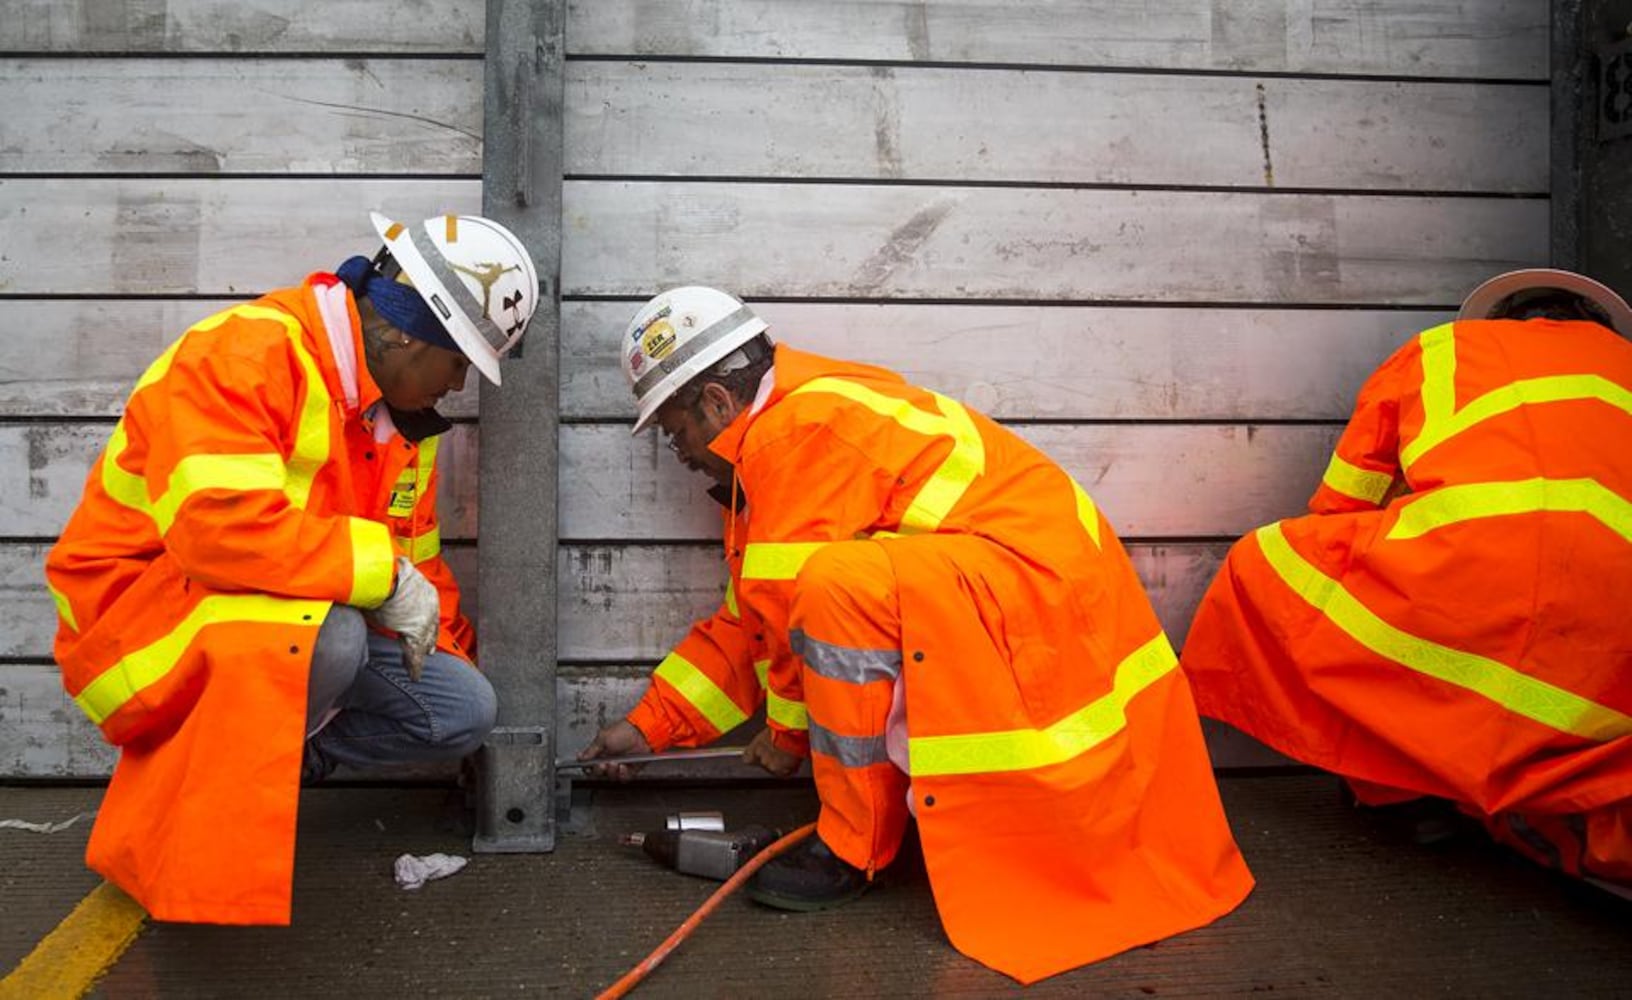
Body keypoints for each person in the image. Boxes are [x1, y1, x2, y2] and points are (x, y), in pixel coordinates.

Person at [581, 286, 1254, 983]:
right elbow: (749, 620)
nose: (679, 453)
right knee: (832, 584)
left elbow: (788, 612)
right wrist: (650, 728)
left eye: (674, 430)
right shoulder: (801, 419)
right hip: (1028, 591)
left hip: (1030, 596)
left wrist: (786, 739)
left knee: (836, 586)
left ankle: (855, 849)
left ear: (720, 403)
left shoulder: (794, 433)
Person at [43, 211, 540, 924]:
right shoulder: (246, 354)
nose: (459, 386)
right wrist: (383, 574)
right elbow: (215, 531)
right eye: (459, 362)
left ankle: (283, 754)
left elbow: (420, 572)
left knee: (464, 709)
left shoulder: (397, 425)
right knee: (329, 638)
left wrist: (445, 648)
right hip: (136, 622)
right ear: (407, 330)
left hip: (245, 614)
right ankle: (166, 839)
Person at [1180, 268, 1632, 894]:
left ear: (1499, 319)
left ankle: (1400, 796)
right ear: (1599, 327)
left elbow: (1344, 501)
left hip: (1471, 576)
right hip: (1614, 621)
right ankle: (1524, 794)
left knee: (1270, 563)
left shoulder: (1441, 350)